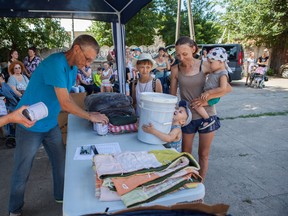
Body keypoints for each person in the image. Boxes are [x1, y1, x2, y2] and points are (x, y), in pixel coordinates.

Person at [8, 34, 109, 216]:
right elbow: (64, 103)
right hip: (29, 125)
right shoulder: (55, 63)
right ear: (76, 49)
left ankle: (61, 197)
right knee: (22, 171)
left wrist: (87, 113)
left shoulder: (72, 68)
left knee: (61, 162)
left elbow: (68, 97)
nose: (87, 64)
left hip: (50, 125)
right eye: (87, 59)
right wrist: (89, 116)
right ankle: (14, 210)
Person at [169, 36, 232, 180]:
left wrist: (206, 101)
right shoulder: (175, 69)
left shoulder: (206, 65)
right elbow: (172, 98)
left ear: (193, 49)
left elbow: (227, 88)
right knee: (185, 152)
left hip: (207, 116)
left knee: (203, 154)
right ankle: (185, 179)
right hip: (186, 117)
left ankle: (200, 182)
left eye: (185, 54)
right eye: (178, 54)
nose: (181, 58)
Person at [195, 47, 230, 130]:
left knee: (196, 105)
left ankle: (208, 119)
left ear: (220, 61)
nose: (209, 65)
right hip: (208, 94)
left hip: (213, 96)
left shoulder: (223, 74)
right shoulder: (214, 71)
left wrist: (209, 93)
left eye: (211, 63)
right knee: (197, 104)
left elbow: (223, 88)